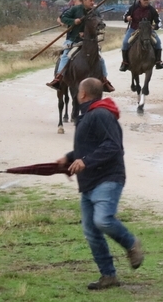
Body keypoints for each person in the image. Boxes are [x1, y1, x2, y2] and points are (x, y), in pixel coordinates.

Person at [56, 78, 144, 290]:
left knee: (103, 220)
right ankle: (108, 276)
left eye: (78, 91)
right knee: (91, 231)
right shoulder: (88, 114)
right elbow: (90, 146)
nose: (76, 94)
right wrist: (70, 157)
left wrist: (85, 161)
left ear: (83, 94)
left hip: (107, 178)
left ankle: (131, 243)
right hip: (90, 181)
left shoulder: (101, 114)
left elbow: (113, 146)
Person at [47, 0, 115, 92]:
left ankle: (104, 80)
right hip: (73, 40)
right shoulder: (75, 9)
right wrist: (73, 21)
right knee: (66, 56)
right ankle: (58, 78)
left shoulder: (95, 11)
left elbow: (99, 24)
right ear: (84, 1)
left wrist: (92, 31)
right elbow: (63, 18)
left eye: (93, 0)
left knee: (100, 59)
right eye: (90, 1)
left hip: (90, 42)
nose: (92, 2)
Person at [119, 0, 163, 72]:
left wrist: (154, 26)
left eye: (147, 0)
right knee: (125, 43)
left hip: (148, 30)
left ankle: (158, 62)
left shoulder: (152, 9)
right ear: (140, 0)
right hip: (134, 29)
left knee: (158, 42)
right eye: (145, 0)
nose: (146, 1)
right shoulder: (133, 7)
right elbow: (124, 16)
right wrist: (127, 18)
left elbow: (159, 21)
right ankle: (125, 63)